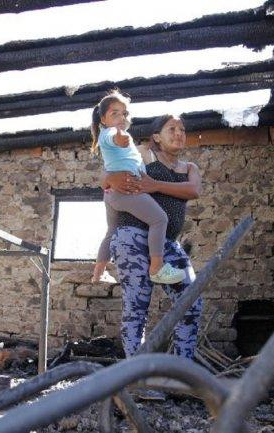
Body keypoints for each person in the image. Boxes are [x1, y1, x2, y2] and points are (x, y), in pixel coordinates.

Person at [104, 114, 203, 359]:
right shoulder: (144, 154)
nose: (179, 133)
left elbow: (193, 190)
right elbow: (109, 175)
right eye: (172, 128)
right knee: (136, 308)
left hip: (167, 243)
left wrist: (155, 185)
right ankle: (136, 377)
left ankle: (181, 370)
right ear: (156, 137)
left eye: (182, 129)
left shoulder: (190, 168)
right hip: (133, 237)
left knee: (191, 301)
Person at [90, 91, 185, 285]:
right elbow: (112, 138)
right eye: (114, 114)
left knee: (111, 231)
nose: (121, 118)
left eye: (124, 114)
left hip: (112, 194)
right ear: (103, 119)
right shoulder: (111, 133)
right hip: (125, 192)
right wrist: (119, 137)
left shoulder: (122, 135)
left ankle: (98, 273)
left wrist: (145, 176)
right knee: (159, 219)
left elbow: (133, 162)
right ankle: (157, 269)